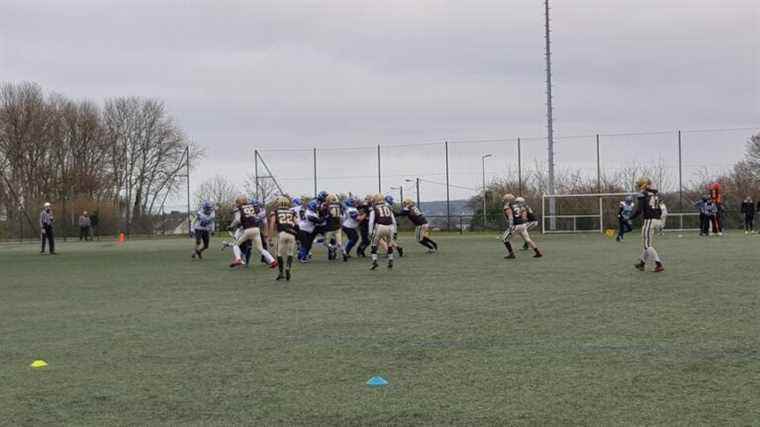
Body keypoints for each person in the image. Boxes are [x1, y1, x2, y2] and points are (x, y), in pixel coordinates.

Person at [228, 196, 277, 269]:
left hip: (248, 230)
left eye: (237, 203)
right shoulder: (252, 207)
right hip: (256, 230)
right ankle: (273, 261)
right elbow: (259, 214)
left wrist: (231, 226)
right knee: (261, 249)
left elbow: (238, 220)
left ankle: (238, 259)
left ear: (239, 202)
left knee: (235, 244)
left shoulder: (239, 209)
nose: (236, 204)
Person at [630, 178, 664, 273]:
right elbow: (661, 209)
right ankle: (642, 263)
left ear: (643, 185)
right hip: (657, 219)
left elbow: (639, 210)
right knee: (647, 244)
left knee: (647, 245)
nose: (639, 187)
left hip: (649, 220)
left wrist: (630, 218)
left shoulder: (643, 194)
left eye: (639, 185)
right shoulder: (655, 194)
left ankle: (659, 264)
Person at [501, 194, 543, 259]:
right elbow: (523, 212)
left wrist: (510, 226)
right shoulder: (518, 205)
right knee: (528, 239)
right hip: (522, 224)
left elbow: (510, 216)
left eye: (505, 199)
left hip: (515, 225)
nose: (503, 200)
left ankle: (511, 254)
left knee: (504, 238)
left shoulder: (507, 206)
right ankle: (538, 252)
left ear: (507, 200)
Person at [268, 196, 297, 281]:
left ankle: (281, 273)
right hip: (292, 234)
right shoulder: (292, 212)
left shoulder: (275, 212)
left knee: (279, 253)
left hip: (282, 234)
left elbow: (272, 224)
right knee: (290, 252)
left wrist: (270, 237)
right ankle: (288, 267)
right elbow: (297, 223)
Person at [368, 193, 397, 270]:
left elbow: (371, 222)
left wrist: (370, 232)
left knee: (374, 244)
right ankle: (390, 260)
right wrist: (395, 232)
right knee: (389, 244)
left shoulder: (374, 209)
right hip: (390, 227)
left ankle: (374, 261)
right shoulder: (388, 208)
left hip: (380, 227)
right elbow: (394, 221)